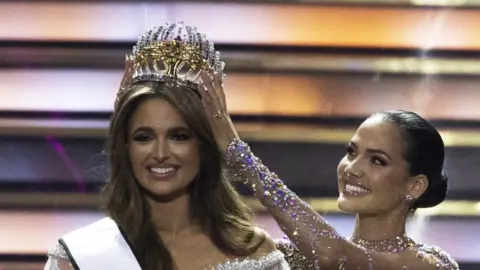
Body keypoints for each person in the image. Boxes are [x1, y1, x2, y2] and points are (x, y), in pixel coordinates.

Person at [44, 21, 292, 270]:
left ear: (203, 145)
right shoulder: (80, 256)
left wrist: (236, 150)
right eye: (144, 137)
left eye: (179, 136)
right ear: (126, 147)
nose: (160, 154)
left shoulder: (253, 251)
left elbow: (327, 255)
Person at [198, 66, 460, 269]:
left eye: (377, 160)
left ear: (415, 185)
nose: (352, 168)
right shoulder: (294, 257)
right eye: (351, 152)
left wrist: (238, 154)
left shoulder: (430, 264)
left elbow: (334, 256)